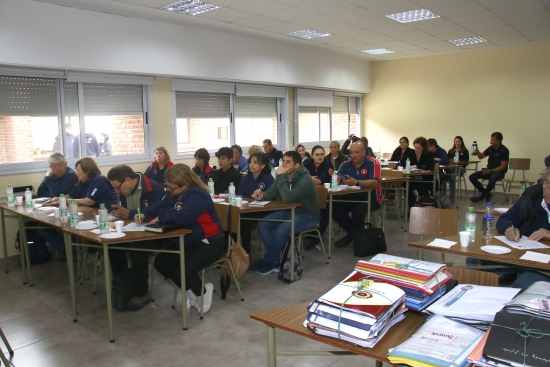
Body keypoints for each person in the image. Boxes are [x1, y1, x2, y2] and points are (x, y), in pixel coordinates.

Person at [112, 164, 226, 313]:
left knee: (182, 271)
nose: (170, 191)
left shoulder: (198, 195)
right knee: (161, 264)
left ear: (184, 184)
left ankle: (202, 293)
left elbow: (183, 217)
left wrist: (161, 216)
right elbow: (159, 206)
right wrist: (144, 214)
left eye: (172, 188)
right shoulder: (175, 192)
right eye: (168, 187)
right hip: (188, 240)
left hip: (209, 241)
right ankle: (193, 292)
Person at [105, 165, 167, 311]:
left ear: (128, 180)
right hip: (133, 230)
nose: (118, 192)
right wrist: (119, 214)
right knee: (113, 246)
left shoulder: (154, 188)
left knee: (137, 249)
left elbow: (159, 212)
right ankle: (123, 287)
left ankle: (142, 293)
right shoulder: (126, 192)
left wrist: (130, 213)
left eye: (118, 188)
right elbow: (128, 215)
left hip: (155, 233)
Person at [249, 151, 320, 275]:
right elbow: (271, 193)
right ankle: (276, 260)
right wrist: (261, 195)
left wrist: (280, 176)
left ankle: (268, 261)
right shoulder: (285, 175)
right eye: (283, 161)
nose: (284, 164)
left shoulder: (306, 179)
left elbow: (287, 197)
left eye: (288, 162)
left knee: (283, 229)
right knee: (263, 223)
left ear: (297, 165)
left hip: (309, 215)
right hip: (291, 211)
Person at [39, 158, 117, 256]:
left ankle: (74, 253)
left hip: (101, 218)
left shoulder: (100, 181)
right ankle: (70, 252)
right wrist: (56, 199)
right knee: (48, 227)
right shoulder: (82, 182)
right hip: (86, 215)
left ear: (87, 171)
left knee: (68, 227)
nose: (76, 173)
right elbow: (70, 195)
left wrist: (65, 201)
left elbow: (89, 201)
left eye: (78, 171)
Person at [332, 141, 382, 248]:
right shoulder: (346, 164)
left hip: (370, 197)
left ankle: (350, 236)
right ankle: (356, 234)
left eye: (356, 152)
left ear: (364, 152)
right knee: (333, 207)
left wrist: (357, 182)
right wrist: (338, 179)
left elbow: (375, 183)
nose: (353, 155)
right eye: (351, 152)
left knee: (358, 211)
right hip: (351, 196)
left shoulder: (373, 163)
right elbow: (338, 177)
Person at [34, 153, 79, 255]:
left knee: (60, 228)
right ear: (50, 167)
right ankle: (67, 251)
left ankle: (70, 252)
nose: (58, 169)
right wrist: (54, 195)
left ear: (66, 164)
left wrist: (48, 179)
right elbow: (40, 192)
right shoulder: (52, 175)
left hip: (71, 211)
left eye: (61, 165)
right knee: (41, 228)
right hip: (56, 210)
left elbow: (59, 194)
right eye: (54, 166)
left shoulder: (71, 175)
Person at [236, 153, 274, 256]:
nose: (251, 165)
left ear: (262, 165)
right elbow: (240, 195)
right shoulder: (245, 178)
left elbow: (272, 196)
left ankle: (246, 253)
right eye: (250, 162)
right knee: (235, 218)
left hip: (264, 210)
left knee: (245, 221)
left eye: (255, 163)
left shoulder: (268, 178)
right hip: (247, 208)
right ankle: (236, 251)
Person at [303, 145, 334, 248]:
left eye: (322, 154)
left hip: (324, 196)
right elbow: (299, 175)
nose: (320, 157)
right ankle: (305, 235)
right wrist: (309, 179)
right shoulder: (306, 163)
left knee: (326, 209)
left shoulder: (328, 164)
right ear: (312, 155)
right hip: (307, 196)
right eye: (317, 155)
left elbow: (328, 177)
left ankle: (315, 238)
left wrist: (313, 179)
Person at [469, 132, 509, 203]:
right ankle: (487, 194)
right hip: (489, 170)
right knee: (472, 177)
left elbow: (503, 167)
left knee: (492, 178)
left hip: (499, 172)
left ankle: (482, 197)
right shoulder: (490, 148)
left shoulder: (504, 150)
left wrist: (491, 171)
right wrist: (477, 150)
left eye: (492, 140)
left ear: (498, 141)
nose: (490, 142)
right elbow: (481, 156)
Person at [407, 137, 435, 208]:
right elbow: (404, 163)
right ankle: (411, 205)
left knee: (422, 186)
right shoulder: (412, 153)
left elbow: (429, 166)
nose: (416, 149)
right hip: (413, 177)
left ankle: (426, 204)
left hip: (426, 178)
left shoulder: (429, 154)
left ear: (424, 148)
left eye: (418, 148)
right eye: (415, 147)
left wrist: (416, 166)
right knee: (406, 185)